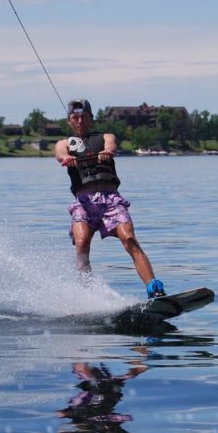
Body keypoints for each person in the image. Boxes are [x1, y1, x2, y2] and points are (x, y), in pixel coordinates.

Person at [55, 98, 165, 298]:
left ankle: (154, 288)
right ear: (70, 121)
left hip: (110, 200)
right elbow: (60, 154)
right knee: (81, 244)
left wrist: (108, 152)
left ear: (91, 119)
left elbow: (111, 146)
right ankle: (86, 296)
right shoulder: (64, 143)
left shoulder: (106, 136)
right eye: (75, 118)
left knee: (129, 238)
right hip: (83, 203)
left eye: (84, 117)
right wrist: (67, 159)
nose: (80, 121)